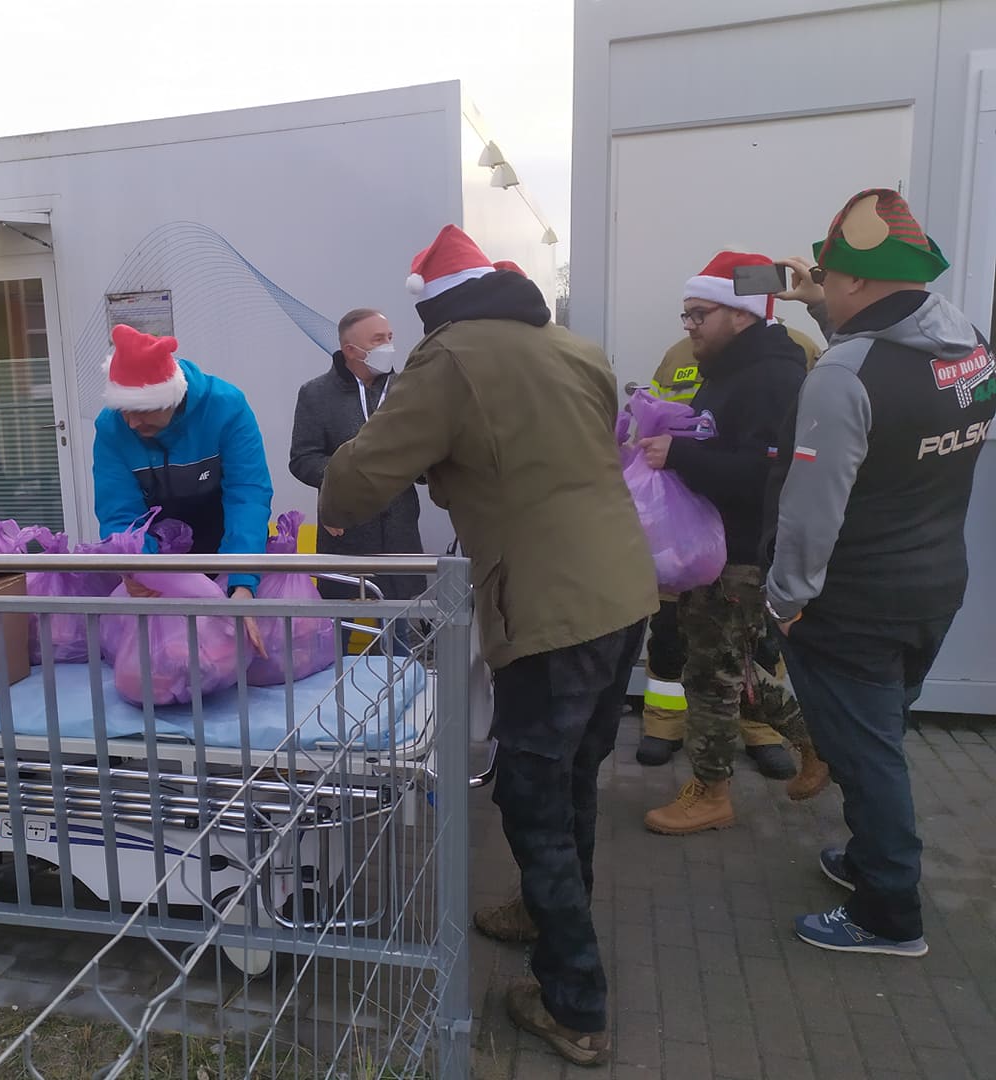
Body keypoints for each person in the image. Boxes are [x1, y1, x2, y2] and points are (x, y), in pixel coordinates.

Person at [320, 225, 656, 1067]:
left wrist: (352, 472)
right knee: (572, 777)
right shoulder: (574, 347)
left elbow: (355, 481)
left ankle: (574, 1003)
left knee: (533, 796)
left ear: (431, 309)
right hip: (622, 588)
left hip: (548, 605)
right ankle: (546, 914)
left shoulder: (448, 359)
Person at [765, 189, 994, 957]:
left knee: (868, 760)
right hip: (935, 585)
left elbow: (810, 511)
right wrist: (821, 307)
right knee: (881, 733)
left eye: (829, 276)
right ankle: (869, 860)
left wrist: (785, 599)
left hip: (851, 606)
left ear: (858, 280)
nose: (822, 286)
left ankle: (888, 911)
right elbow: (892, 383)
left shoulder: (842, 377)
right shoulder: (968, 343)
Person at [641, 253, 813, 835]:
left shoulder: (773, 377)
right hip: (713, 550)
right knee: (727, 670)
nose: (688, 325)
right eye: (687, 314)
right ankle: (819, 740)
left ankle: (711, 793)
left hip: (739, 555)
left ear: (740, 315)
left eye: (699, 313)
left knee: (710, 680)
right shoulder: (730, 368)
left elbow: (769, 473)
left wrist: (680, 454)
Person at [92, 323, 274, 648]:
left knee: (234, 646)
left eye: (142, 410)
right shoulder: (111, 427)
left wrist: (243, 583)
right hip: (158, 550)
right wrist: (137, 569)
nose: (132, 423)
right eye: (124, 411)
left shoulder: (226, 407)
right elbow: (119, 512)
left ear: (171, 397)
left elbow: (248, 496)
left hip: (224, 540)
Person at [289, 308, 423, 648]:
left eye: (389, 337)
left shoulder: (408, 390)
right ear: (351, 350)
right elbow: (303, 459)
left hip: (398, 538)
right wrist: (343, 484)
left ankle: (400, 679)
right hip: (345, 535)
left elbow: (426, 455)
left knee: (399, 639)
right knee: (336, 640)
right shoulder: (316, 394)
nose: (388, 346)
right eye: (378, 340)